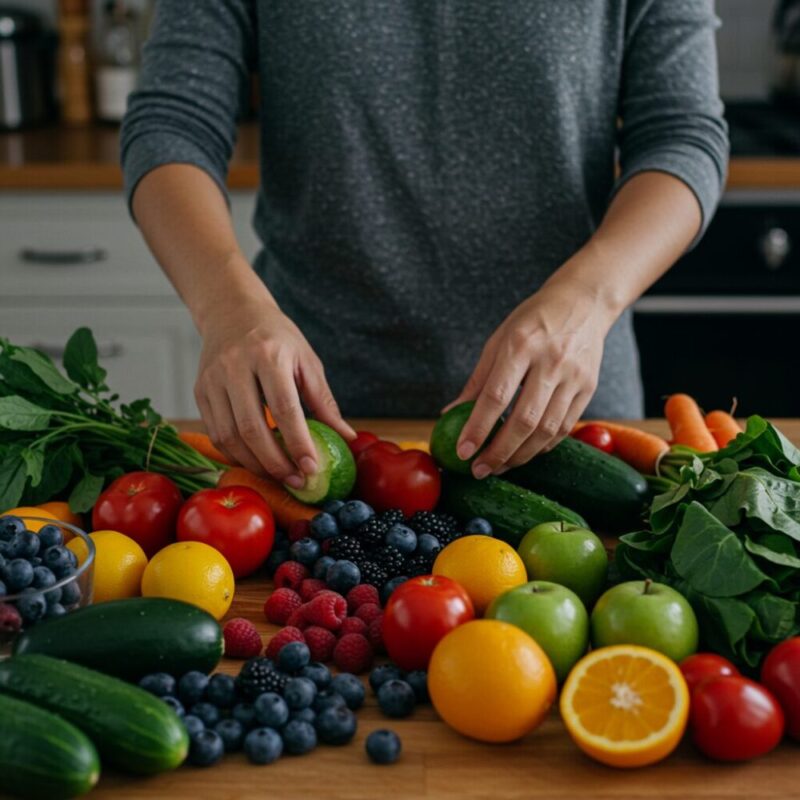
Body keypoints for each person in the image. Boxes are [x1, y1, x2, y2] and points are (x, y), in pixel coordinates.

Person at [121, 1, 728, 490]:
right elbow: (173, 122)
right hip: (309, 413)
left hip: (562, 410)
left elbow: (682, 135)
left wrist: (588, 300)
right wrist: (226, 307)